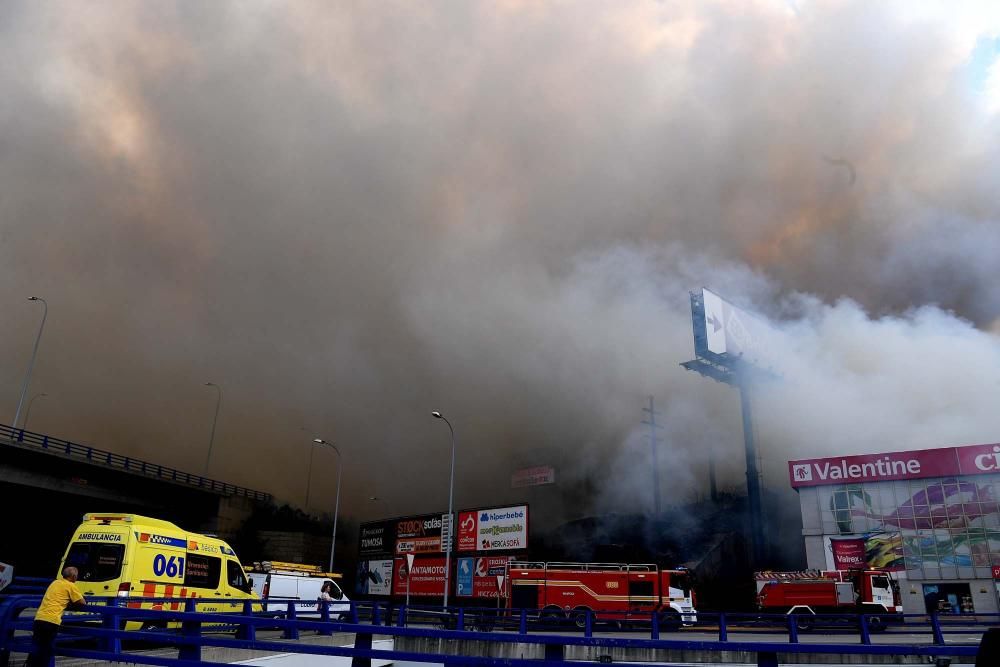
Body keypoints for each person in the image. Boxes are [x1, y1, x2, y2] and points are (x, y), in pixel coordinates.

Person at [28, 566, 87, 667]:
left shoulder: (54, 583)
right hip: (51, 621)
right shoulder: (71, 586)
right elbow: (82, 603)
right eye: (76, 576)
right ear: (73, 576)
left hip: (39, 619)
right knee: (46, 650)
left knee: (36, 648)